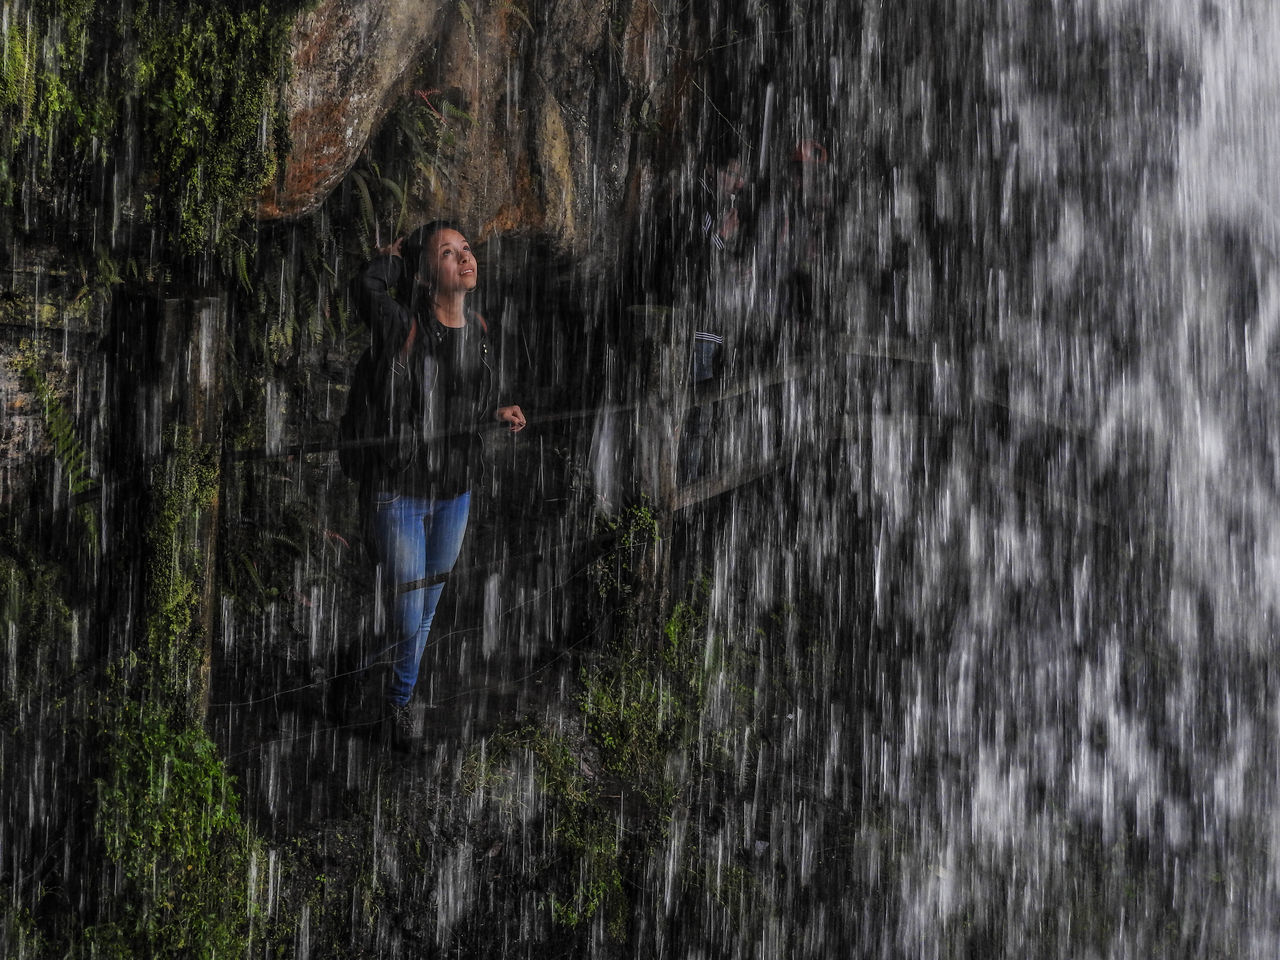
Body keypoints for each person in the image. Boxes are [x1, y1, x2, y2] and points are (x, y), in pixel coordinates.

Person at [353, 220, 525, 747]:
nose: (465, 258)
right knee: (409, 612)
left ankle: (394, 703)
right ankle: (378, 687)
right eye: (448, 254)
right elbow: (367, 286)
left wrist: (496, 414)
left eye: (466, 249)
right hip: (400, 490)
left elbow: (463, 403)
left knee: (426, 608)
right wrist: (400, 255)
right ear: (429, 274)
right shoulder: (403, 324)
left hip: (455, 493)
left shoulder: (481, 331)